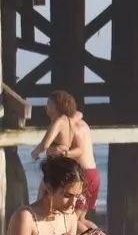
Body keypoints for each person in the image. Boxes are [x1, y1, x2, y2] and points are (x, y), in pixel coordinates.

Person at [32, 91, 100, 219]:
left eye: (49, 105)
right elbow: (79, 113)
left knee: (71, 218)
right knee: (78, 219)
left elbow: (79, 150)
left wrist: (62, 153)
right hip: (90, 174)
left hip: (81, 175)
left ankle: (37, 220)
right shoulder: (74, 121)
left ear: (57, 107)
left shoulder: (73, 125)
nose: (45, 108)